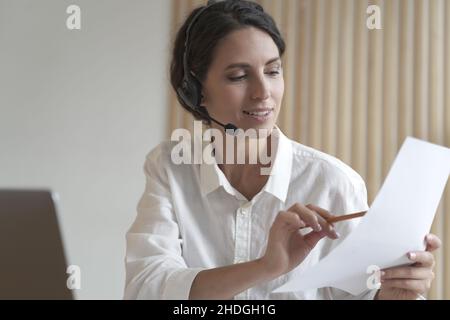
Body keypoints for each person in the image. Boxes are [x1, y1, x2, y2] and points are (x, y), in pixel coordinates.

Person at [124, 0, 440, 300]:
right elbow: (146, 287)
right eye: (239, 76)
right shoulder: (170, 166)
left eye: (273, 71)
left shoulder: (332, 182)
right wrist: (266, 268)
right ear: (196, 91)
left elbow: (365, 293)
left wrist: (394, 295)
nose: (263, 93)